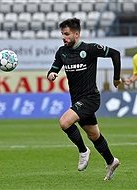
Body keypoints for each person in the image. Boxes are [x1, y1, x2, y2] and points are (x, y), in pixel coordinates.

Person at [47, 18, 122, 180]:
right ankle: (111, 161)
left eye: (66, 34)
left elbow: (115, 54)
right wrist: (52, 74)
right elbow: (53, 69)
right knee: (94, 135)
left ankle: (83, 150)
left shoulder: (90, 49)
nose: (63, 37)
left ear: (76, 34)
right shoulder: (62, 52)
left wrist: (116, 78)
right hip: (77, 100)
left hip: (90, 98)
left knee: (65, 122)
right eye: (62, 34)